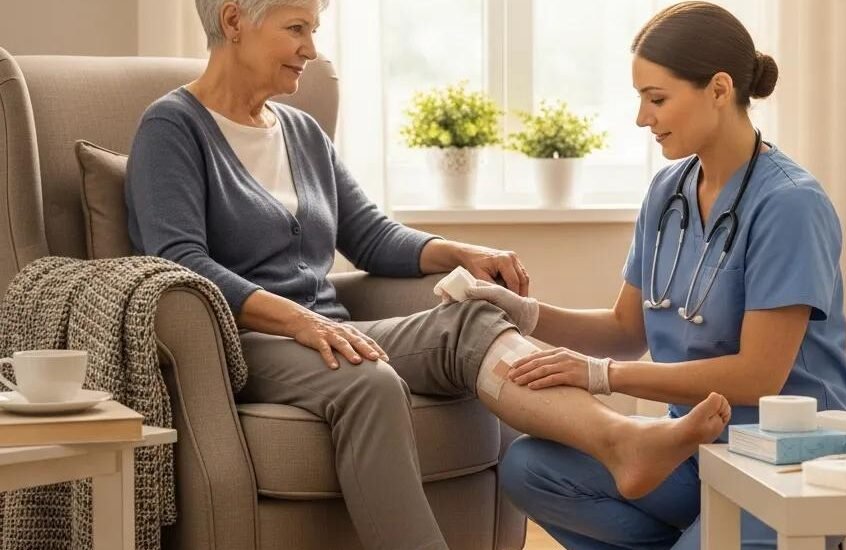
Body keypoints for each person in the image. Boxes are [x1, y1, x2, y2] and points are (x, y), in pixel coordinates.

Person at [124, 1, 732, 548]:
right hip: (249, 342)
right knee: (371, 383)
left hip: (334, 333)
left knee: (472, 321)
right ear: (234, 22)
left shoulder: (301, 132)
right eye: (297, 29)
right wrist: (298, 320)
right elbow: (178, 262)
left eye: (315, 29)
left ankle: (618, 440)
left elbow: (370, 236)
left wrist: (461, 252)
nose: (312, 47)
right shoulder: (172, 128)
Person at [460, 2, 846, 549]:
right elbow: (628, 331)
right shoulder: (668, 190)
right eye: (640, 99)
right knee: (529, 467)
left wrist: (600, 376)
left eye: (657, 99)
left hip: (787, 459)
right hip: (695, 450)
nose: (641, 118)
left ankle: (828, 539)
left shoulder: (791, 204)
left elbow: (757, 376)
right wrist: (524, 313)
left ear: (719, 90)